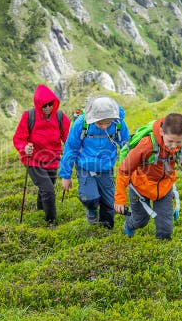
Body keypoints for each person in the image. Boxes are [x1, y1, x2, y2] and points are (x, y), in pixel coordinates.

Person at [114, 113, 182, 240]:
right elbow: (125, 170)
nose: (174, 146)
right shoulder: (147, 145)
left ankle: (163, 249)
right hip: (139, 188)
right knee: (140, 221)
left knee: (166, 228)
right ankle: (128, 225)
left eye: (178, 142)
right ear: (162, 132)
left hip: (164, 188)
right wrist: (120, 199)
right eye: (170, 141)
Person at [59, 96, 129, 228]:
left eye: (107, 123)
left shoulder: (118, 124)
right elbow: (71, 148)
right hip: (85, 166)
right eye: (100, 123)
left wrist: (131, 166)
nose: (104, 127)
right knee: (90, 198)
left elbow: (126, 145)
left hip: (106, 167)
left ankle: (106, 230)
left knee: (109, 202)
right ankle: (91, 210)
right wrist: (66, 175)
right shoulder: (81, 124)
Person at [12, 85, 70, 225]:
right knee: (48, 190)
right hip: (34, 160)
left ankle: (39, 208)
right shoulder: (29, 116)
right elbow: (18, 138)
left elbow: (68, 137)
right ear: (38, 105)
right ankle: (51, 221)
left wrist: (71, 151)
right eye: (44, 105)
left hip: (53, 159)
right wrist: (25, 147)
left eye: (51, 104)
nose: (48, 108)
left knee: (47, 186)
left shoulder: (59, 116)